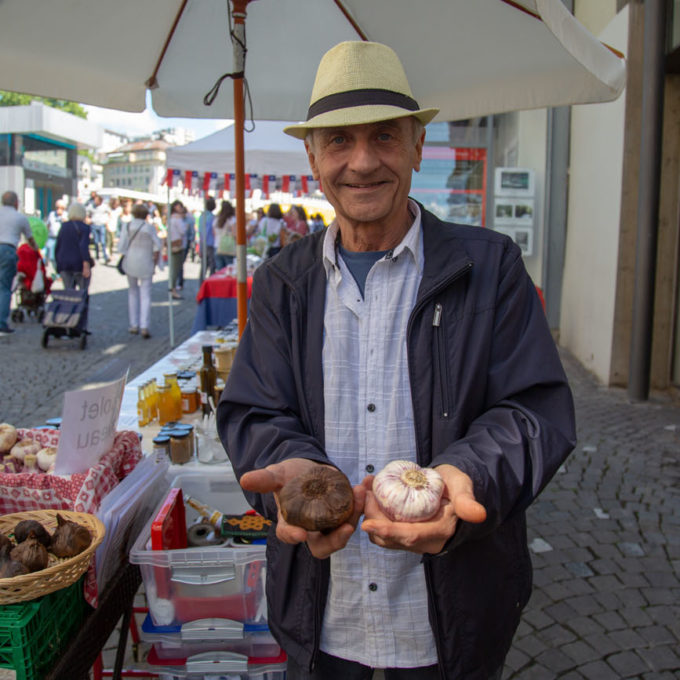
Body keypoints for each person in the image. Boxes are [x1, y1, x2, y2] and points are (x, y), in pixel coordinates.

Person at [217, 41, 576, 680]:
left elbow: (534, 410)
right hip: (321, 606)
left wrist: (469, 476)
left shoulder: (490, 267)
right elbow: (253, 410)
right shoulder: (281, 282)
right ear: (312, 156)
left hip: (453, 609)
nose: (362, 162)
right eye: (339, 141)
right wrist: (298, 481)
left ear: (417, 145)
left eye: (384, 137)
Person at [118, 203, 161, 338]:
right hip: (146, 261)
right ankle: (144, 325)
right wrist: (155, 263)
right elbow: (157, 246)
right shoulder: (149, 228)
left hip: (131, 261)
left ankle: (134, 324)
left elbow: (122, 246)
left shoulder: (128, 226)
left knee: (132, 292)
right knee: (146, 294)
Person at [0, 191, 37, 334]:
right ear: (16, 203)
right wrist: (36, 250)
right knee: (4, 287)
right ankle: (1, 322)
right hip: (8, 250)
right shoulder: (20, 218)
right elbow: (30, 239)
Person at [55, 202, 92, 291]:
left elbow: (58, 246)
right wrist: (86, 264)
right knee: (83, 291)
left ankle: (71, 305)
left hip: (64, 264)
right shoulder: (85, 228)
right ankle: (81, 305)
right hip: (79, 264)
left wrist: (58, 263)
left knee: (69, 292)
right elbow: (84, 246)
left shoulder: (64, 226)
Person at [168, 200, 185, 300]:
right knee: (175, 268)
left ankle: (172, 287)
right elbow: (182, 231)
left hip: (172, 243)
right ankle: (172, 289)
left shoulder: (170, 218)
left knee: (173, 268)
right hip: (177, 244)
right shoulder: (177, 218)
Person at [44, 198, 66, 274]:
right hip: (52, 238)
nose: (59, 210)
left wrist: (65, 221)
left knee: (60, 257)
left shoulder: (66, 215)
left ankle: (61, 273)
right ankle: (58, 272)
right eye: (57, 207)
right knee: (52, 257)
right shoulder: (52, 214)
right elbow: (48, 225)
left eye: (61, 208)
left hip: (62, 239)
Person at [87, 193, 111, 263]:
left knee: (103, 242)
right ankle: (97, 255)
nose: (95, 202)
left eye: (96, 200)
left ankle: (105, 256)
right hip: (94, 225)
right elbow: (87, 213)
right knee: (96, 241)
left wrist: (107, 220)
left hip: (101, 225)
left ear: (100, 201)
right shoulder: (91, 206)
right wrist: (88, 219)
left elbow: (109, 212)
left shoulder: (104, 206)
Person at [213, 200, 236, 271]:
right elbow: (234, 234)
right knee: (229, 270)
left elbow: (214, 233)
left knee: (219, 270)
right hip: (228, 247)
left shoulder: (216, 219)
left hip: (217, 246)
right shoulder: (232, 220)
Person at [199, 196, 217, 281]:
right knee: (212, 265)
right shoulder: (212, 217)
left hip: (204, 242)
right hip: (210, 243)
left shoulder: (202, 216)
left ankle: (202, 284)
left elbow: (200, 232)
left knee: (204, 266)